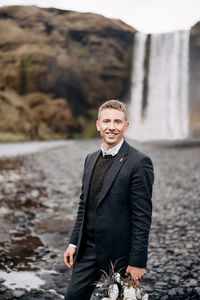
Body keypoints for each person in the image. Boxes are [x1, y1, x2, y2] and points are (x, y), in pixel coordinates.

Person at [64, 99, 154, 300]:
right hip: (87, 249)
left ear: (126, 126)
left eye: (117, 122)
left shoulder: (139, 162)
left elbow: (142, 217)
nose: (111, 127)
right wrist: (73, 243)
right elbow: (83, 205)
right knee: (72, 297)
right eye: (106, 121)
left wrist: (138, 262)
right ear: (98, 125)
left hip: (119, 253)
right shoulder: (90, 158)